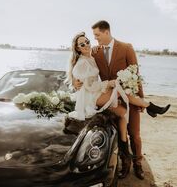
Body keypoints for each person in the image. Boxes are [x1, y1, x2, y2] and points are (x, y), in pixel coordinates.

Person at [68, 28, 170, 180]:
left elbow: (95, 78)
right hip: (91, 98)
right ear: (77, 48)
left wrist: (108, 84)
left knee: (122, 115)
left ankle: (126, 157)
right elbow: (88, 86)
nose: (86, 45)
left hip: (97, 94)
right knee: (119, 87)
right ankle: (151, 107)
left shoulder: (93, 55)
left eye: (87, 41)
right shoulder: (81, 63)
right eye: (82, 44)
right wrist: (107, 84)